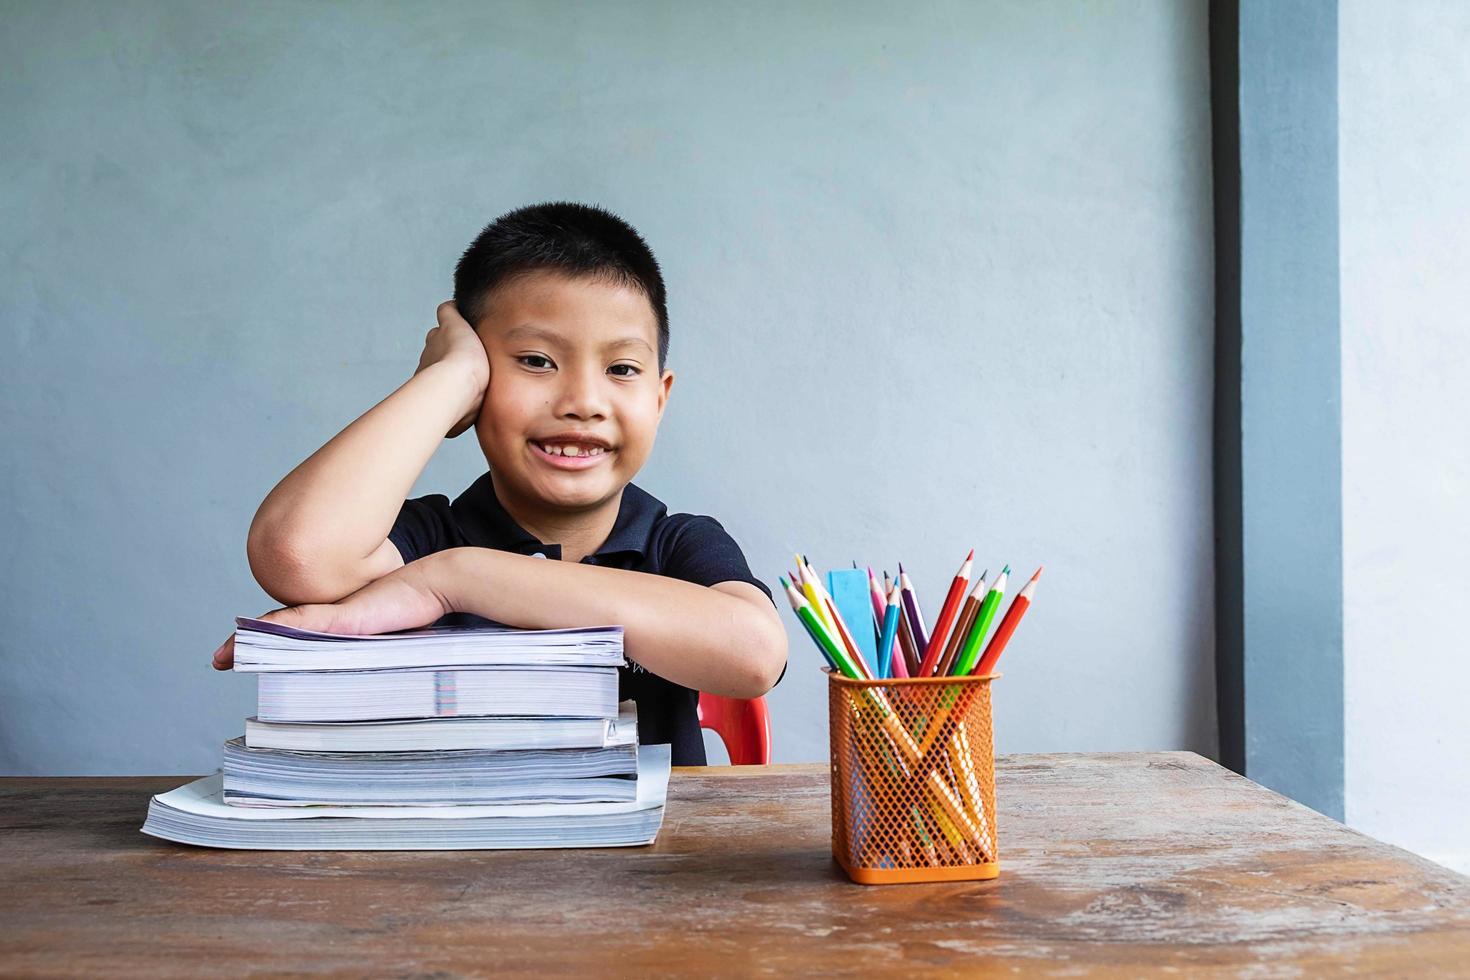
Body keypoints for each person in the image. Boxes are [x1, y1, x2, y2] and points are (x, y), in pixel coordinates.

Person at [210, 202, 786, 764]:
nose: (583, 402)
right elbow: (296, 554)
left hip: (639, 858)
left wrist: (457, 580)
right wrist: (447, 379)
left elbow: (754, 654)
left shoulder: (678, 544)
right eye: (536, 361)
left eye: (621, 369)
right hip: (451, 855)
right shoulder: (429, 534)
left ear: (659, 399)